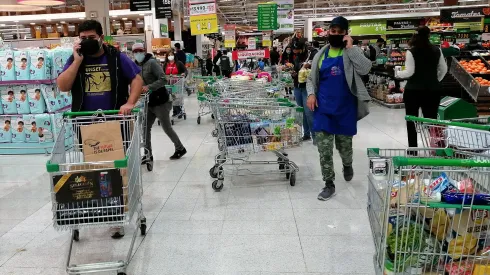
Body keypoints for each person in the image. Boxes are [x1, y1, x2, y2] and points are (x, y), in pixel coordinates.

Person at [57, 19, 143, 238]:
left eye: (91, 38)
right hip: (85, 126)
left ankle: (116, 217)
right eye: (82, 38)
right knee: (92, 172)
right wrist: (77, 61)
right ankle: (98, 211)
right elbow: (63, 86)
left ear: (101, 38)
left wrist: (130, 103)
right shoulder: (76, 58)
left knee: (116, 171)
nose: (87, 42)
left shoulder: (116, 57)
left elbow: (137, 79)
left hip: (115, 124)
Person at [306, 16, 372, 201]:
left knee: (345, 147)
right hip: (323, 109)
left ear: (345, 34)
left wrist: (351, 48)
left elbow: (366, 69)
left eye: (339, 32)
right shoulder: (320, 54)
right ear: (328, 32)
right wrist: (311, 94)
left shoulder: (351, 52)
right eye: (332, 31)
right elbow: (311, 78)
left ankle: (348, 164)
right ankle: (329, 184)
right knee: (324, 150)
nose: (334, 34)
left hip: (345, 109)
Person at [132, 43, 186, 161]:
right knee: (145, 127)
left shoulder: (152, 63)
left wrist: (149, 87)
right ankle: (147, 154)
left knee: (166, 127)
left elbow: (163, 79)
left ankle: (180, 148)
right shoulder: (135, 65)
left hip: (160, 100)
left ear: (144, 51)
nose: (137, 54)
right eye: (135, 52)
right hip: (147, 101)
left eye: (139, 51)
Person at [396, 26, 447, 149]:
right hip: (432, 91)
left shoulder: (411, 51)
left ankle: (413, 150)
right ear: (429, 36)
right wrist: (434, 81)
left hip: (413, 91)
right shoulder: (437, 50)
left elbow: (409, 72)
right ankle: (436, 149)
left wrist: (398, 73)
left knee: (411, 121)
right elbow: (443, 69)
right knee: (433, 121)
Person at [162, 51, 187, 117]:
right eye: (169, 55)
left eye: (172, 55)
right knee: (170, 98)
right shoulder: (165, 64)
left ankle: (177, 111)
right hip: (168, 84)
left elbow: (185, 70)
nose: (170, 56)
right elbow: (162, 73)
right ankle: (177, 111)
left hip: (177, 83)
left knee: (176, 97)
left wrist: (184, 73)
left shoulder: (179, 63)